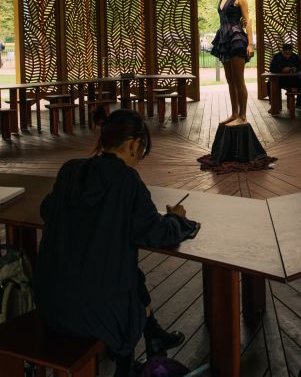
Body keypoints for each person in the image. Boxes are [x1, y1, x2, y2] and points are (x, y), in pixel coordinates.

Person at [35, 109, 191, 377]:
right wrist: (176, 219)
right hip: (96, 313)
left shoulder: (70, 171)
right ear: (133, 144)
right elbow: (155, 233)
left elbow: (48, 210)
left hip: (49, 303)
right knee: (121, 285)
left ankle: (152, 336)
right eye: (141, 152)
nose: (138, 160)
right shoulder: (126, 180)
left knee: (122, 271)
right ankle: (126, 367)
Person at [210, 0, 256, 126]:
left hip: (236, 39)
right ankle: (234, 113)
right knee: (230, 81)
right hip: (223, 39)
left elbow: (247, 20)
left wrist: (251, 44)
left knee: (239, 80)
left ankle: (242, 116)